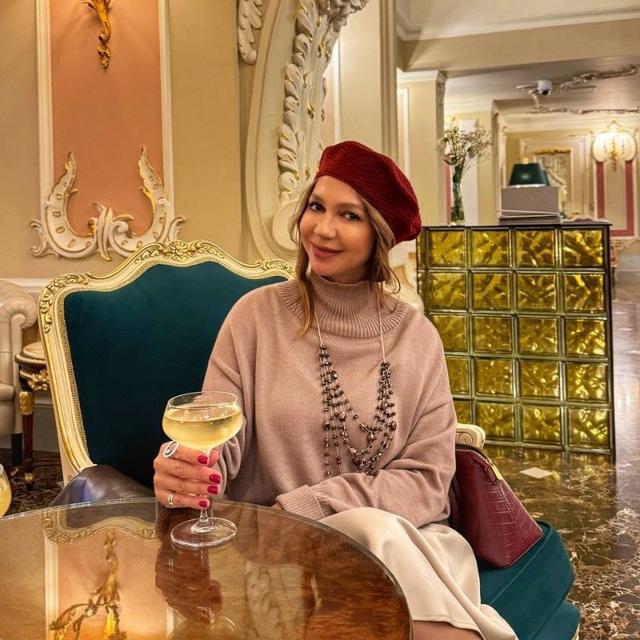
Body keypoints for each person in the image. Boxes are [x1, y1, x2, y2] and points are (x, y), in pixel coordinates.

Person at [153, 141, 517, 640]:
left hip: (408, 542)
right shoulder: (255, 317)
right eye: (316, 207)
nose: (322, 229)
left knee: (375, 531)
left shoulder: (417, 339)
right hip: (277, 548)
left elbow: (428, 481)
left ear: (379, 236)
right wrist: (185, 462)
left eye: (349, 215)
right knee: (374, 537)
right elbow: (220, 434)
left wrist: (317, 506)